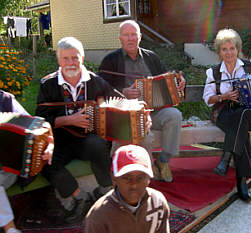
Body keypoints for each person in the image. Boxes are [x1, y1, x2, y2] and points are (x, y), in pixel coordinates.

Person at [35, 37, 120, 223]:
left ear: (82, 57)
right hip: (58, 139)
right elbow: (41, 120)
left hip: (87, 139)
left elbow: (119, 101)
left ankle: (105, 191)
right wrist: (70, 120)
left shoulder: (96, 81)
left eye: (75, 57)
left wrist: (139, 109)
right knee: (43, 159)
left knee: (98, 144)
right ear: (58, 60)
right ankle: (79, 196)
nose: (71, 62)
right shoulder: (48, 84)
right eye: (65, 58)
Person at [99, 20, 186, 182]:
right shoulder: (110, 60)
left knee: (174, 115)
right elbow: (101, 88)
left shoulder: (151, 57)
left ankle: (163, 161)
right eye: (126, 35)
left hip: (154, 111)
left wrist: (179, 81)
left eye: (134, 35)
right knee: (142, 135)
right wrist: (123, 92)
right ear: (120, 38)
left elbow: (168, 77)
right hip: (127, 117)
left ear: (140, 37)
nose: (130, 38)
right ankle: (145, 166)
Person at [203, 28, 251, 202]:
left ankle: (226, 157)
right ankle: (242, 182)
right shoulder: (213, 73)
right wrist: (223, 96)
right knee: (240, 125)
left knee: (242, 115)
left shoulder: (250, 66)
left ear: (238, 49)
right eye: (224, 49)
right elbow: (208, 99)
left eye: (232, 48)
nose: (229, 52)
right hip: (226, 113)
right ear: (219, 52)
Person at [0, 90, 53, 233]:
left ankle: (10, 228)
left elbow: (39, 125)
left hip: (8, 169)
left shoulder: (5, 99)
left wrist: (50, 145)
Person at [85, 144, 170, 233]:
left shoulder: (157, 202)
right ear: (113, 177)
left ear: (149, 177)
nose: (134, 185)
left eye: (140, 178)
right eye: (126, 178)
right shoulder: (99, 215)